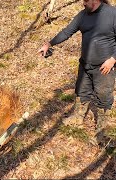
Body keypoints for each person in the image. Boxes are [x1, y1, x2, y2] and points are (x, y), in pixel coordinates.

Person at [38, 0, 116, 136]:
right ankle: (77, 118)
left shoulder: (112, 14)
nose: (83, 4)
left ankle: (102, 130)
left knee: (103, 97)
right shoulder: (82, 15)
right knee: (81, 91)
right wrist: (49, 44)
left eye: (85, 1)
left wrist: (113, 59)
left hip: (104, 67)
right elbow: (67, 32)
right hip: (85, 64)